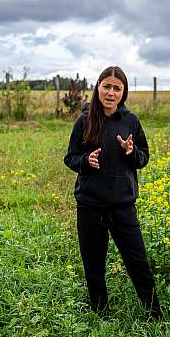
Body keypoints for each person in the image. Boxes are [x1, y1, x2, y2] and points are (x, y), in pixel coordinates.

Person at [64, 66, 161, 319]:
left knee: (138, 263)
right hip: (90, 205)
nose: (111, 92)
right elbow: (70, 157)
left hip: (122, 205)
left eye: (117, 88)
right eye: (107, 86)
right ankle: (100, 313)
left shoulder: (131, 122)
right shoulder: (84, 121)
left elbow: (143, 158)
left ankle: (154, 313)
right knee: (93, 263)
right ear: (98, 88)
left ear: (123, 92)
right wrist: (85, 161)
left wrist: (131, 152)